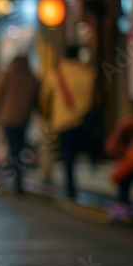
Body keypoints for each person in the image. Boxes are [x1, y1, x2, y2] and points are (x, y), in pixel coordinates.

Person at [40, 46, 96, 199]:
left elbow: (44, 95)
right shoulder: (88, 74)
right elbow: (91, 98)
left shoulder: (57, 74)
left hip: (63, 121)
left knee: (68, 156)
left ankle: (70, 186)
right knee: (80, 151)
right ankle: (91, 166)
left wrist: (47, 115)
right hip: (83, 120)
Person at [0, 54, 40, 193]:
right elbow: (36, 98)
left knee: (14, 148)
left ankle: (16, 179)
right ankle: (19, 177)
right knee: (19, 147)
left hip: (8, 118)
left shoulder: (7, 75)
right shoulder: (30, 77)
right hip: (23, 118)